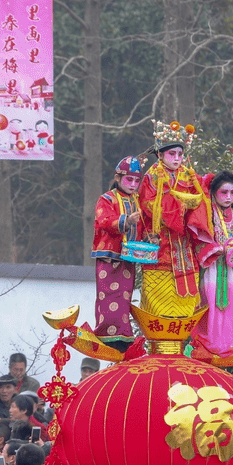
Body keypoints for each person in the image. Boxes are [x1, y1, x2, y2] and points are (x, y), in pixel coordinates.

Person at [138, 121, 210, 318]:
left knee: (185, 303)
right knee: (159, 299)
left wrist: (192, 208)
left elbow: (202, 198)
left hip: (184, 241)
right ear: (160, 155)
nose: (177, 158)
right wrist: (179, 208)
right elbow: (148, 204)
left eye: (180, 154)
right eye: (172, 154)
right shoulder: (152, 176)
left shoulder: (189, 174)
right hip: (162, 241)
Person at [189, 171, 233, 357]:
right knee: (210, 305)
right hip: (212, 268)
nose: (228, 197)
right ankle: (209, 346)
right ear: (213, 192)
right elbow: (198, 241)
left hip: (232, 270)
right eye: (223, 193)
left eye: (232, 193)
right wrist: (218, 249)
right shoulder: (206, 214)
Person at [92, 155, 146, 350]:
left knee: (124, 297)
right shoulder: (106, 199)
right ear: (117, 177)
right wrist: (125, 221)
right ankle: (106, 334)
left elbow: (144, 228)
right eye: (128, 179)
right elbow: (103, 221)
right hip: (109, 256)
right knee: (108, 295)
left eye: (136, 181)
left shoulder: (138, 201)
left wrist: (150, 239)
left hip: (129, 257)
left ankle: (123, 335)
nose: (133, 184)